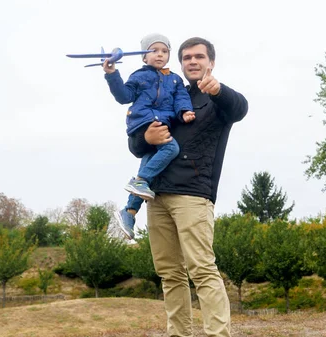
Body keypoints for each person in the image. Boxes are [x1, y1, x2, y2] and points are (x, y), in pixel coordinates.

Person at [128, 37, 248, 337]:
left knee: (202, 270)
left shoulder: (216, 100)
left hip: (194, 194)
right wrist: (146, 140)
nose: (192, 62)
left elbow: (240, 108)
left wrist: (218, 90)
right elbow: (136, 144)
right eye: (186, 58)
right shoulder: (169, 93)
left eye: (199, 57)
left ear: (211, 62)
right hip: (155, 196)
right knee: (169, 274)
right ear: (180, 63)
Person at [103, 33, 195, 240]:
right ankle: (140, 181)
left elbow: (181, 98)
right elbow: (123, 96)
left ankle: (129, 212)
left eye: (164, 51)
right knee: (171, 148)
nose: (160, 55)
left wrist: (184, 112)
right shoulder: (139, 76)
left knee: (148, 165)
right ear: (144, 57)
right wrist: (112, 74)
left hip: (163, 122)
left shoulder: (175, 79)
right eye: (154, 50)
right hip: (142, 121)